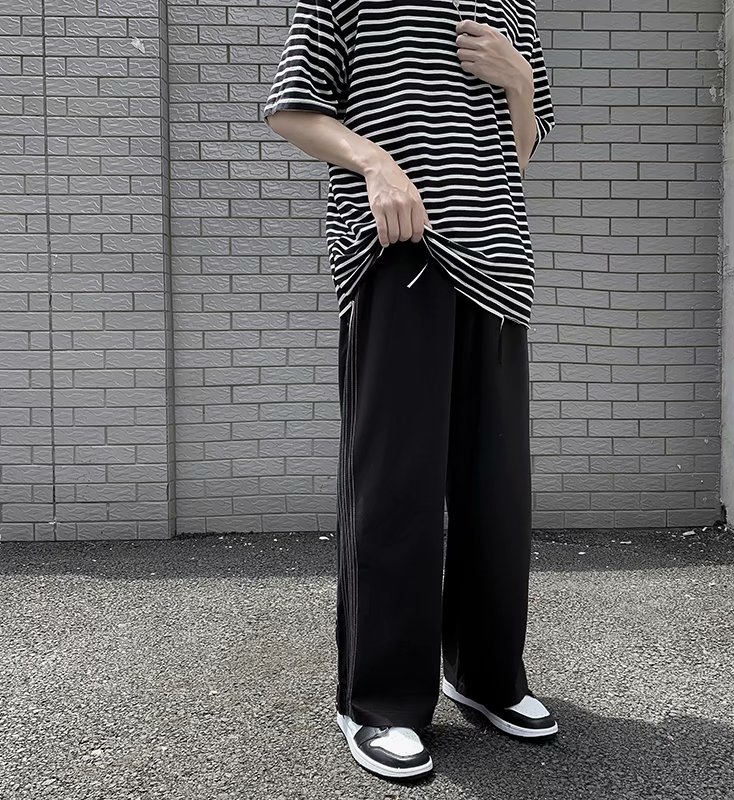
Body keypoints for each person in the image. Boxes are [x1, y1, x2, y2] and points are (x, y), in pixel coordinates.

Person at [263, 0, 557, 781]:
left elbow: (517, 156)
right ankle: (380, 702)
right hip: (399, 251)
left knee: (496, 492)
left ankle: (486, 675)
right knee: (396, 488)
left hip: (500, 268)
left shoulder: (515, 9)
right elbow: (292, 108)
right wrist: (375, 162)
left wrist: (518, 81)